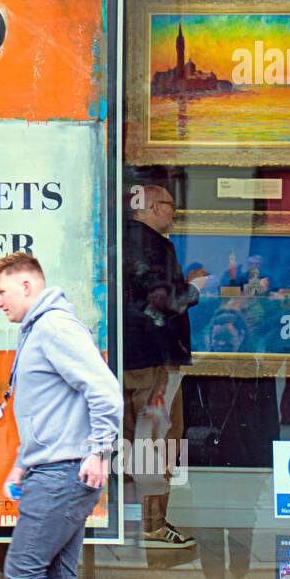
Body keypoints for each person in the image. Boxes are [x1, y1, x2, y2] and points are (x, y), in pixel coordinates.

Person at [0, 250, 123, 579]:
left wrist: (99, 451)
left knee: (22, 570)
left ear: (27, 286)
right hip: (54, 469)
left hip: (67, 473)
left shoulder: (55, 329)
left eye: (2, 293)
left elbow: (104, 391)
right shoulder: (38, 333)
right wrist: (22, 464)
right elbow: (51, 412)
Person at [121, 184, 197, 549]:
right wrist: (194, 289)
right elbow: (164, 298)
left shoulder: (121, 239)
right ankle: (152, 523)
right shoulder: (152, 245)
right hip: (156, 359)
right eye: (170, 206)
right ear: (151, 207)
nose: (174, 213)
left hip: (128, 356)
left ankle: (118, 521)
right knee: (157, 441)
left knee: (127, 439)